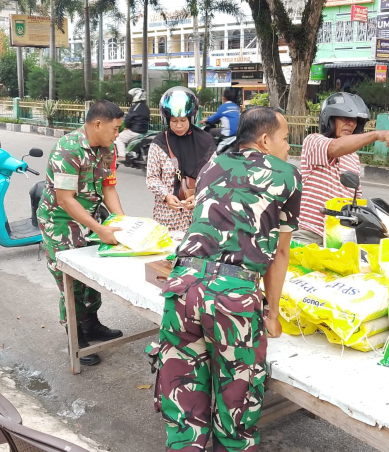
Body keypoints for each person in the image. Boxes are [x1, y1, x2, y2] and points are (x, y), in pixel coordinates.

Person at [153, 106, 301, 452]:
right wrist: (273, 315)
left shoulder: (212, 166)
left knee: (183, 402)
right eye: (284, 139)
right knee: (235, 405)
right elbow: (280, 253)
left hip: (183, 287)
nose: (288, 147)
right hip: (232, 299)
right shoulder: (286, 175)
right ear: (265, 140)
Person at [37, 100, 126, 367]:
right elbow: (65, 199)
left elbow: (109, 188)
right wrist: (100, 229)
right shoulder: (68, 149)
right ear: (97, 124)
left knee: (91, 276)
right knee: (71, 281)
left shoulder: (108, 149)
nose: (118, 134)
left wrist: (122, 223)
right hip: (61, 222)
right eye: (116, 128)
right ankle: (75, 337)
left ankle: (91, 324)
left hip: (89, 219)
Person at [294, 92, 389, 246]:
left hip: (339, 237)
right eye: (345, 118)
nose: (351, 123)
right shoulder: (314, 141)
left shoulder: (352, 157)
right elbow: (334, 148)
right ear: (329, 119)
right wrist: (376, 135)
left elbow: (354, 197)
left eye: (355, 120)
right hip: (310, 234)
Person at [146, 87, 216, 233]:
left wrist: (198, 196)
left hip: (198, 217)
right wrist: (166, 196)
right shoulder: (159, 144)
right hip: (167, 218)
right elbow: (152, 177)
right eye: (174, 120)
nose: (178, 125)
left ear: (191, 118)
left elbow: (214, 177)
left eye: (183, 120)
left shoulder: (206, 142)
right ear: (167, 120)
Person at [115, 88, 150, 161]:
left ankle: (122, 156)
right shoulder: (146, 108)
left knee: (119, 138)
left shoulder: (135, 107)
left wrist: (126, 126)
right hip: (144, 131)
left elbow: (128, 119)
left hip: (135, 131)